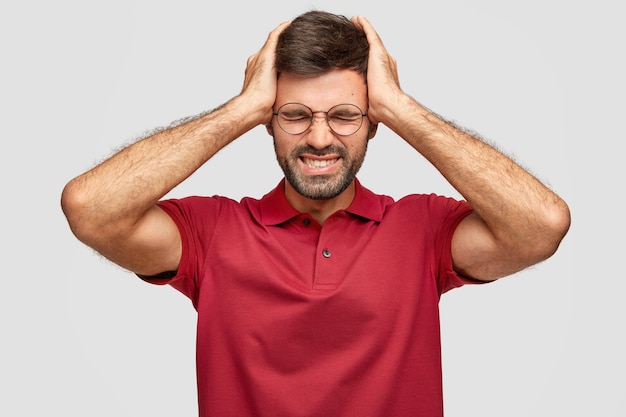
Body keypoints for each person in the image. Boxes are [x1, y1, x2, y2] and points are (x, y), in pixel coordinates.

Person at [61, 10, 570, 417]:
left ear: (374, 124)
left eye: (346, 115)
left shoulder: (423, 229)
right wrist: (242, 107)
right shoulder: (212, 233)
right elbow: (90, 209)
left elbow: (541, 226)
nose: (320, 137)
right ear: (268, 121)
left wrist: (398, 106)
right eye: (295, 115)